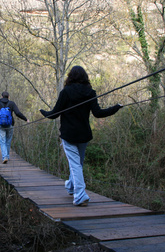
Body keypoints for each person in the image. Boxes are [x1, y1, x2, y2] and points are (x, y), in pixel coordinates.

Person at [40, 66, 123, 206]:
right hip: (84, 135)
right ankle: (71, 187)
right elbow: (98, 113)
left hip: (69, 135)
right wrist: (116, 107)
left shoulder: (66, 92)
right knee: (78, 164)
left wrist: (43, 112)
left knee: (75, 165)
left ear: (70, 77)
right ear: (85, 77)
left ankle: (80, 196)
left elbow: (54, 114)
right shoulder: (90, 93)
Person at [0, 91, 28, 164]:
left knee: (2, 141)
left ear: (1, 97)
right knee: (8, 141)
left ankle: (5, 157)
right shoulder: (11, 103)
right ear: (8, 97)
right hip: (10, 125)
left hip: (1, 125)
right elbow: (17, 113)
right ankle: (6, 156)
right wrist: (26, 119)